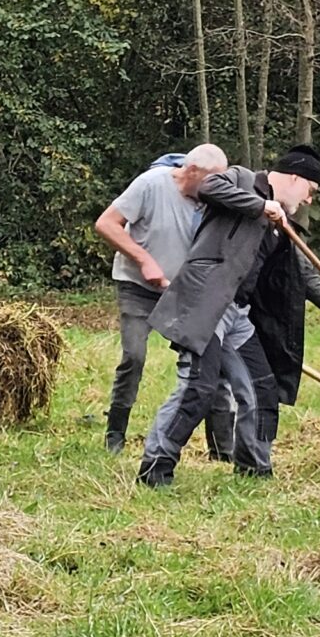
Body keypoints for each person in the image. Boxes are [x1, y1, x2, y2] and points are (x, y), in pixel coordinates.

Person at [139, 145, 320, 487]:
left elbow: (308, 277)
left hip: (238, 315)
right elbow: (208, 187)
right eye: (311, 191)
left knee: (262, 388)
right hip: (206, 305)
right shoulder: (242, 180)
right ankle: (155, 469)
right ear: (295, 177)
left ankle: (254, 468)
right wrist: (260, 204)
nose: (310, 200)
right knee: (198, 388)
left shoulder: (283, 224)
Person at [93, 144, 237, 455]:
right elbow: (106, 224)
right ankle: (115, 434)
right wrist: (144, 260)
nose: (218, 188)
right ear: (193, 171)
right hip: (138, 288)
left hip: (186, 292)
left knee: (210, 362)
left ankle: (221, 447)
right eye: (213, 180)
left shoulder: (212, 200)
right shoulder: (151, 184)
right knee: (134, 356)